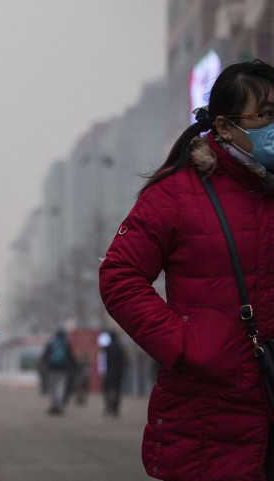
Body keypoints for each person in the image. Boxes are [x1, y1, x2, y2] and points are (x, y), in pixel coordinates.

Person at [99, 59, 274, 480]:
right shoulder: (177, 192)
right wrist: (186, 345)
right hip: (209, 415)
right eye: (265, 115)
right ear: (226, 125)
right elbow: (119, 276)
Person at [39, 329, 76, 415]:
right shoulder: (66, 344)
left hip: (51, 369)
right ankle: (59, 406)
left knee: (53, 388)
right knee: (60, 387)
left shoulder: (51, 343)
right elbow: (71, 357)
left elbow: (45, 355)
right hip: (63, 369)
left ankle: (53, 405)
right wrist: (75, 367)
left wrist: (44, 364)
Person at [99, 330, 125, 417]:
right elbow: (125, 361)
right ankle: (115, 408)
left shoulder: (108, 348)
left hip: (109, 371)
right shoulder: (120, 348)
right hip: (119, 372)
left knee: (108, 389)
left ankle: (108, 406)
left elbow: (101, 350)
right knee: (117, 390)